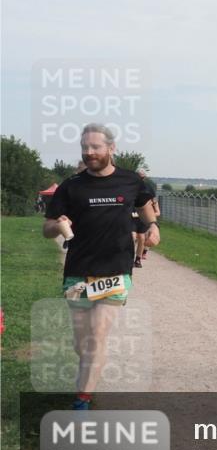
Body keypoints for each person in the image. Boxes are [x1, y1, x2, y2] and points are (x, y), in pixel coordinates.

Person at [42, 124, 160, 410]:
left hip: (116, 270)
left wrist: (153, 225)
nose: (89, 152)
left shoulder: (131, 181)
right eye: (85, 147)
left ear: (111, 148)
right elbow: (47, 228)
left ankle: (81, 402)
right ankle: (89, 374)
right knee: (82, 344)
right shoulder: (71, 186)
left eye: (95, 147)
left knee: (96, 336)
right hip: (78, 273)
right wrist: (58, 225)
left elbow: (145, 205)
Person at [132, 169, 159, 267]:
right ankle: (129, 257)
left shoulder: (148, 188)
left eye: (142, 177)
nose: (140, 179)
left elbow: (155, 203)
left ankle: (138, 259)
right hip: (132, 217)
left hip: (142, 218)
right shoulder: (130, 186)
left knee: (141, 238)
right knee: (132, 236)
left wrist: (155, 211)